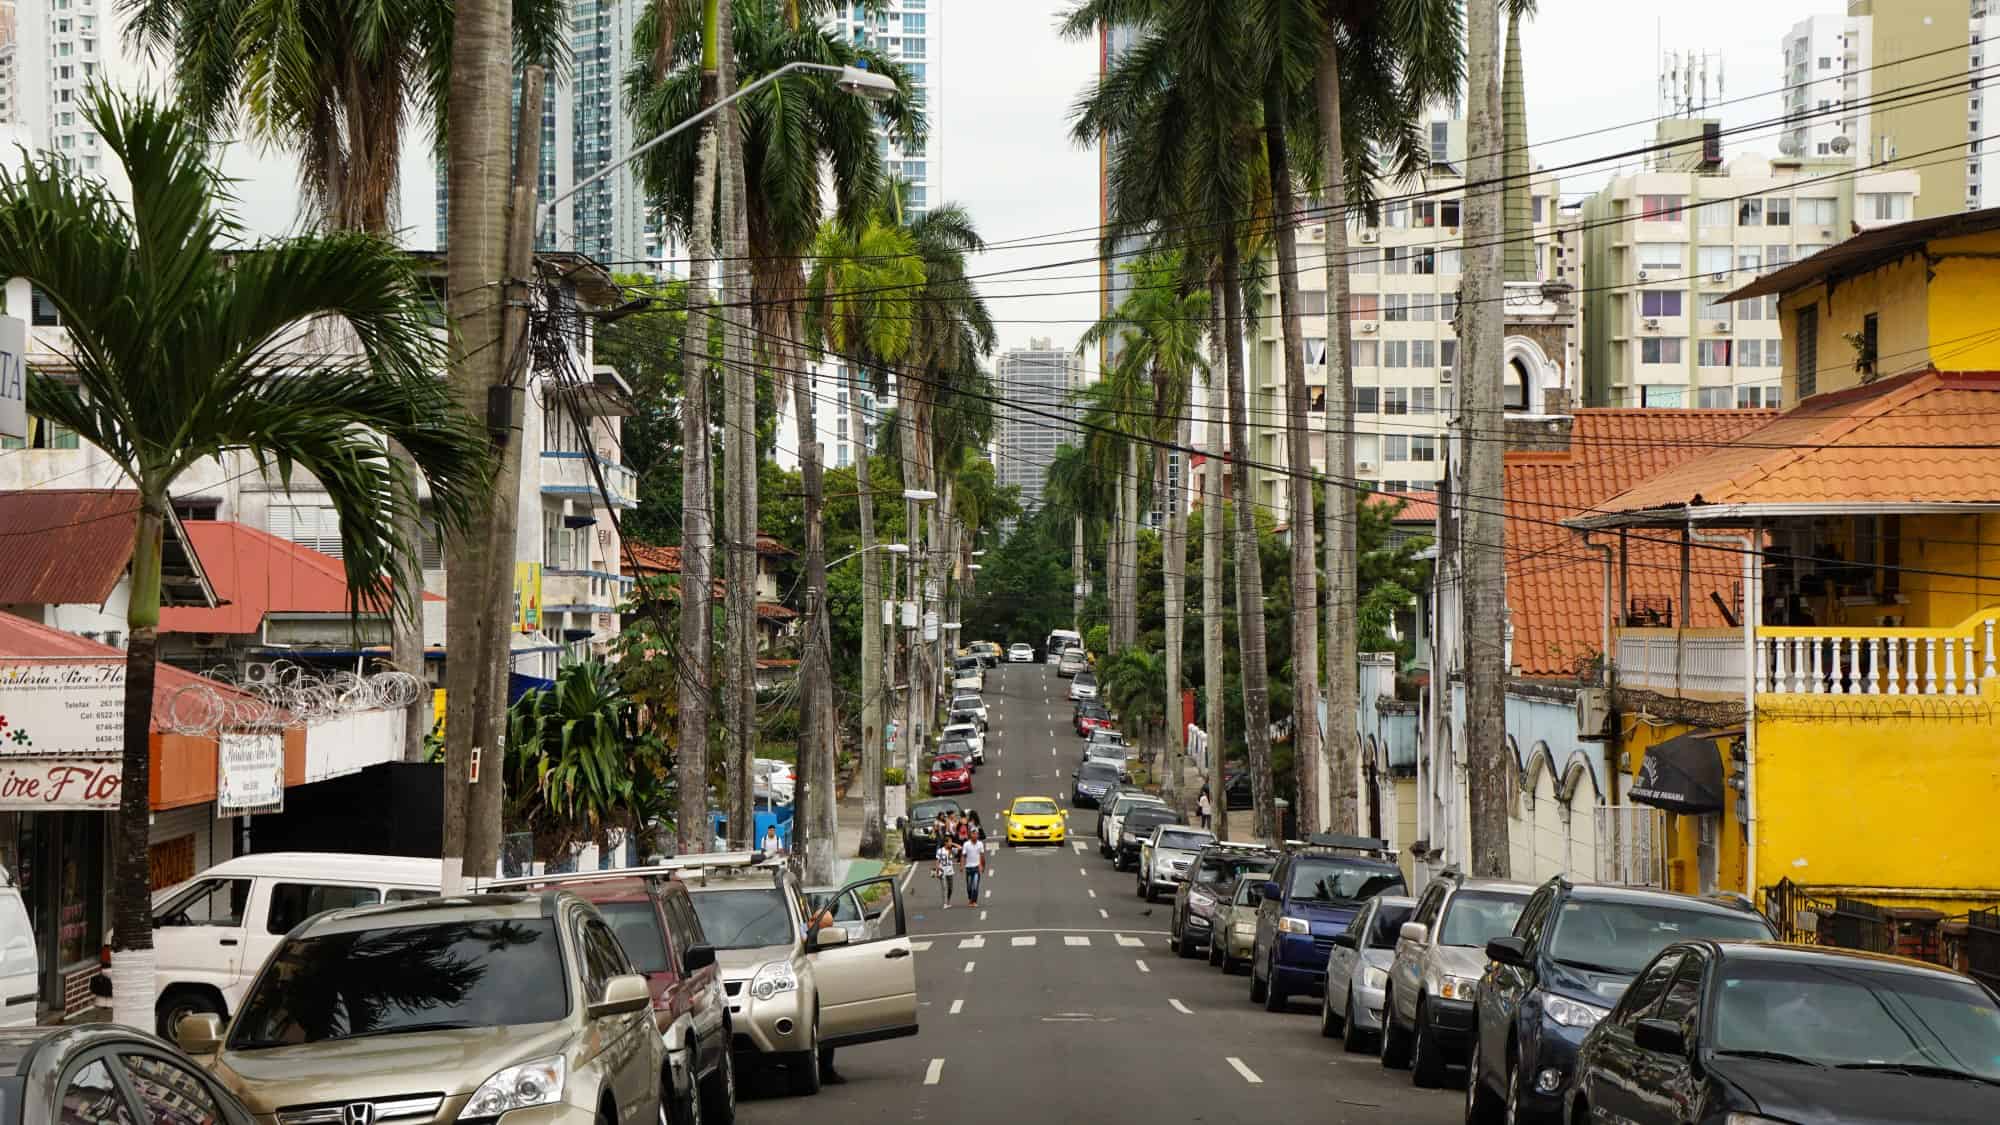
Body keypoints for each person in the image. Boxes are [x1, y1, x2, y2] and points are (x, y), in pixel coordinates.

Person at [961, 829, 986, 907]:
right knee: (969, 887)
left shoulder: (980, 844)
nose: (975, 835)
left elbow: (982, 856)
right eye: (973, 834)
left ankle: (974, 901)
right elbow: (963, 856)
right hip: (968, 868)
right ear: (970, 835)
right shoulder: (966, 844)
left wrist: (982, 866)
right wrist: (962, 865)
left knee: (975, 885)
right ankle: (970, 899)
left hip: (976, 868)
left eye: (976, 834)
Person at [934, 830, 958, 909]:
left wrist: (953, 844)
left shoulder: (952, 850)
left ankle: (948, 901)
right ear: (945, 843)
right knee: (944, 887)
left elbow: (960, 848)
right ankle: (944, 903)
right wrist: (937, 871)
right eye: (949, 842)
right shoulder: (940, 851)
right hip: (942, 871)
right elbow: (937, 861)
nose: (950, 843)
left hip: (950, 871)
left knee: (950, 888)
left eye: (951, 841)